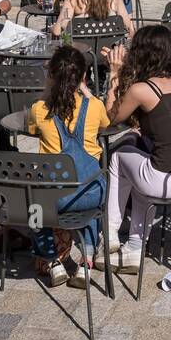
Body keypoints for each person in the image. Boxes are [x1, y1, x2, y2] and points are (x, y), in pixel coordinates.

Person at [101, 25, 171, 273]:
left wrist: (115, 74)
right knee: (142, 169)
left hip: (167, 180)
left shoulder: (143, 90)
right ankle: (134, 248)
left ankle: (110, 232)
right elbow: (170, 120)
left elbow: (111, 118)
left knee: (118, 156)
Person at [24, 46, 109, 288]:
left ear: (51, 76)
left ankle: (52, 260)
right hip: (91, 194)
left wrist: (47, 92)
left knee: (33, 208)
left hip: (54, 197)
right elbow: (106, 124)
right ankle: (87, 261)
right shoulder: (94, 106)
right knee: (90, 190)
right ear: (84, 77)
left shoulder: (40, 110)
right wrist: (87, 92)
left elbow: (30, 128)